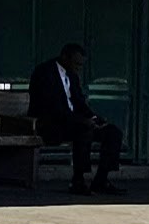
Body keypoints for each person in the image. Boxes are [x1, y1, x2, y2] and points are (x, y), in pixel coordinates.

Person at [29, 39, 124, 193]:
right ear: (65, 58)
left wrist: (94, 118)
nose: (79, 68)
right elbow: (53, 108)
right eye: (76, 64)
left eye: (81, 65)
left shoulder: (72, 75)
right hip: (51, 123)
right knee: (83, 130)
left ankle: (101, 179)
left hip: (74, 122)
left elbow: (79, 102)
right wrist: (83, 121)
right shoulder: (44, 73)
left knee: (113, 132)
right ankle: (78, 180)